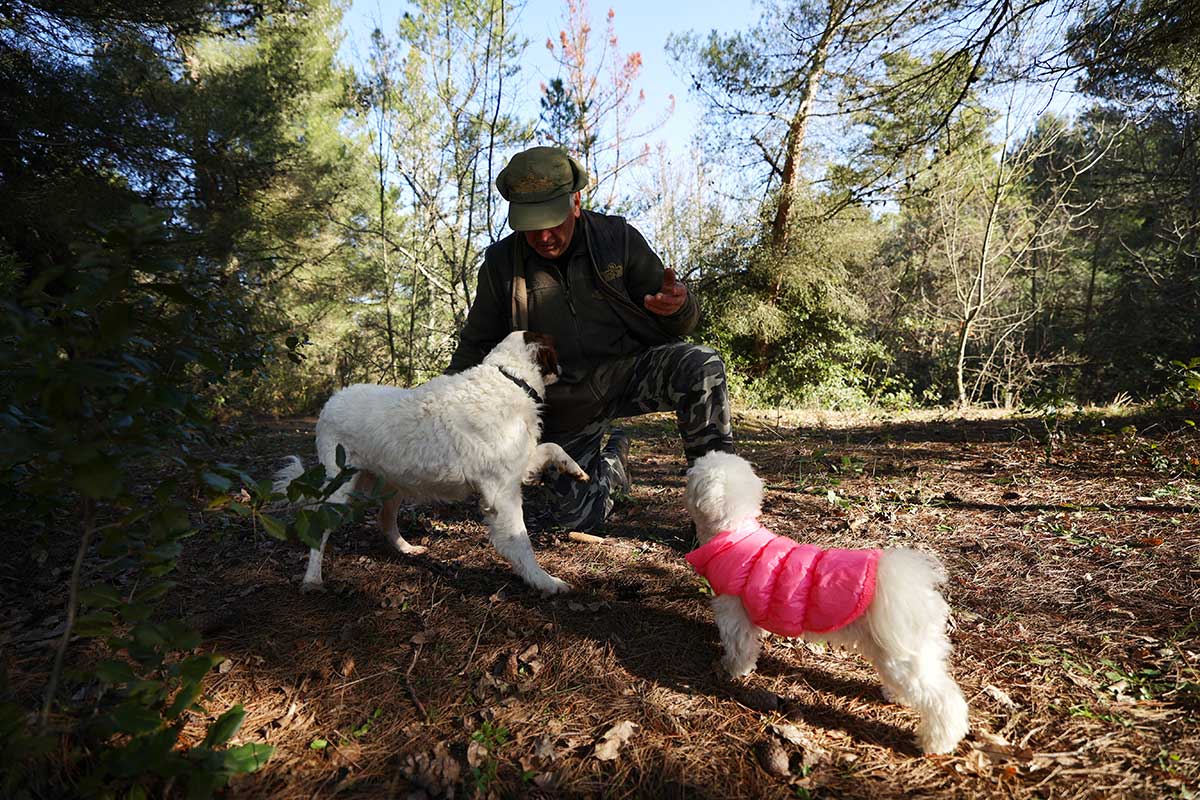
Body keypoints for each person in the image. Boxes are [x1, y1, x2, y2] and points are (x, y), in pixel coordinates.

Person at [447, 146, 734, 531]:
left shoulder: (617, 239)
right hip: (564, 403)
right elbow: (475, 344)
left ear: (576, 202)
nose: (544, 236)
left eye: (553, 220)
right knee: (573, 521)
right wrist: (443, 406)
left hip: (628, 373)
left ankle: (721, 515)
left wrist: (679, 307)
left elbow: (678, 320)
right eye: (531, 225)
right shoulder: (500, 264)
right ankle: (613, 464)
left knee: (702, 366)